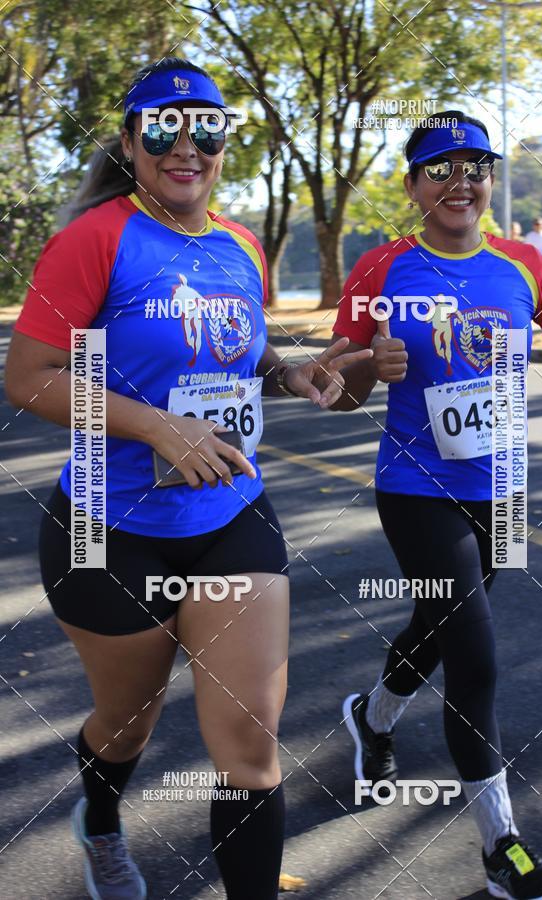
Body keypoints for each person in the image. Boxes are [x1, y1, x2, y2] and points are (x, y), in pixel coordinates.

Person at [4, 57, 371, 900]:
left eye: (206, 127)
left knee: (249, 750)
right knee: (128, 726)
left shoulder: (241, 244)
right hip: (110, 524)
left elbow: (241, 353)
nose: (187, 145)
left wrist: (289, 373)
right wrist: (152, 424)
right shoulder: (95, 239)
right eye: (163, 127)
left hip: (229, 512)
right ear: (131, 141)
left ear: (222, 143)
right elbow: (29, 376)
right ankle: (100, 822)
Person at [328, 110, 542, 900]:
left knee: (437, 629)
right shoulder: (380, 270)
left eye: (476, 165)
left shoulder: (523, 266)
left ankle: (372, 718)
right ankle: (501, 848)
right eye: (441, 167)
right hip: (420, 490)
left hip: (506, 494)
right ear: (414, 186)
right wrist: (367, 367)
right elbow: (338, 393)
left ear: (491, 181)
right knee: (474, 657)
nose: (462, 180)